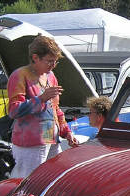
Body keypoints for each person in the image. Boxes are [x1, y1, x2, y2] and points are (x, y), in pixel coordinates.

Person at [7, 35, 78, 178]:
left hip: (50, 137)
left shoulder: (51, 76)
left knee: (51, 179)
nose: (53, 65)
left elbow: (55, 108)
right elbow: (14, 110)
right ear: (35, 58)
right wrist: (41, 99)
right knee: (29, 182)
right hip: (30, 142)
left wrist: (66, 131)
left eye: (56, 62)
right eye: (49, 61)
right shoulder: (20, 75)